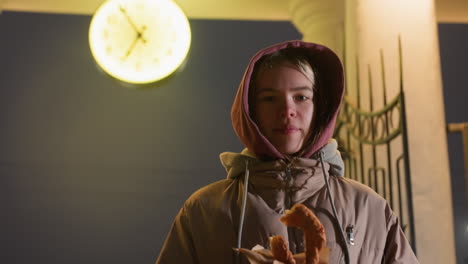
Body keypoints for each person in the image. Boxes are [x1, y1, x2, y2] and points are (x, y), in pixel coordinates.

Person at [155, 40, 419, 264]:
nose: (287, 110)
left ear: (321, 108)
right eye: (270, 98)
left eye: (301, 97)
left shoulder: (367, 207)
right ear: (251, 109)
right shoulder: (206, 209)